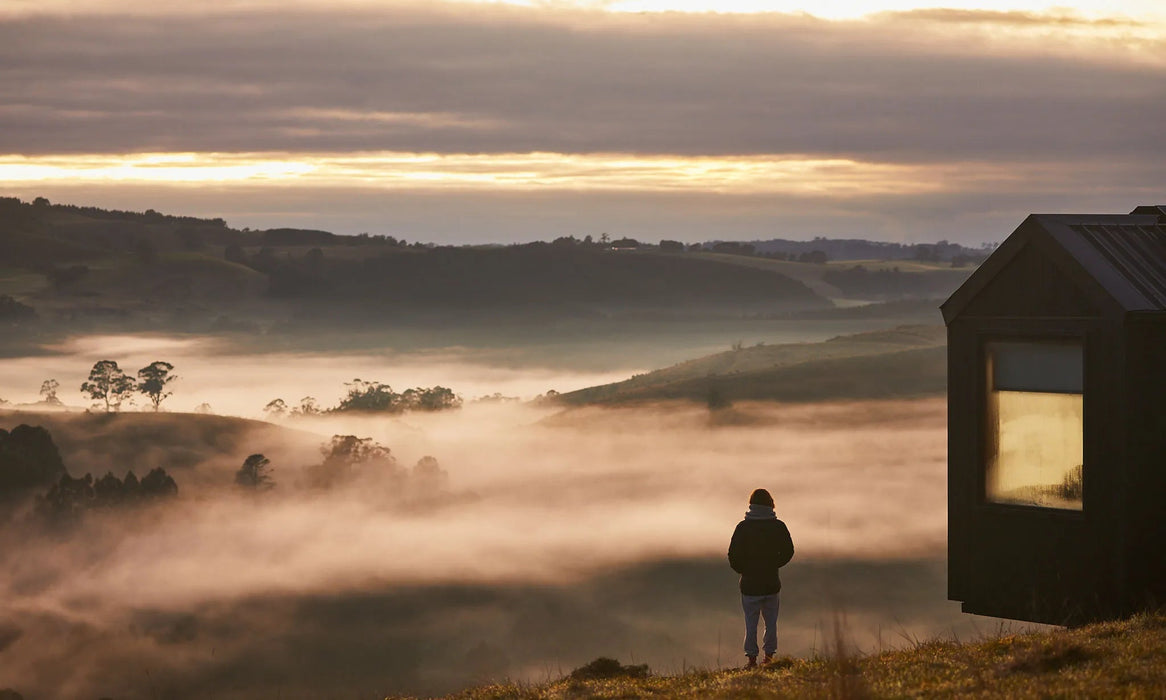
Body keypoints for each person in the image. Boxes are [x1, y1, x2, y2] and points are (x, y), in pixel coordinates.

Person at [727, 488, 794, 669]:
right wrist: (774, 564)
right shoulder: (778, 526)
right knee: (771, 622)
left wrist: (745, 570)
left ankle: (751, 660)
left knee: (751, 624)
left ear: (751, 505)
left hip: (749, 585)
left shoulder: (743, 527)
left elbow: (733, 555)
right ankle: (769, 657)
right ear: (770, 504)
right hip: (772, 583)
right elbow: (789, 551)